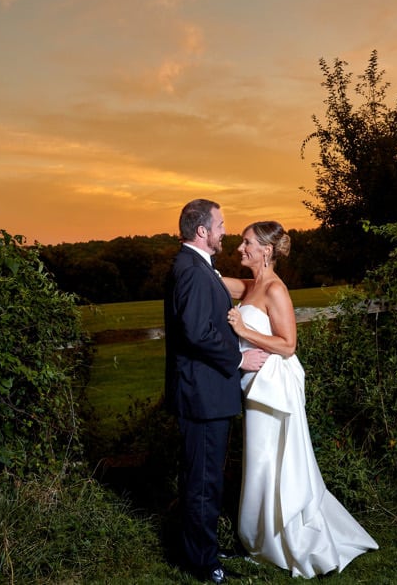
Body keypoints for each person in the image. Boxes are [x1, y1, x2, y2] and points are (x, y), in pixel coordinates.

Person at [221, 221, 378, 577]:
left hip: (274, 387)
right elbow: (214, 281)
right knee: (260, 463)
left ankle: (291, 540)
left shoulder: (275, 289)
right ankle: (264, 541)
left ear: (266, 250)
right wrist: (194, 258)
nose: (240, 248)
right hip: (256, 386)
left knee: (275, 461)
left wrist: (243, 330)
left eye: (246, 243)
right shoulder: (251, 285)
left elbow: (288, 345)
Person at [165, 199, 268, 584]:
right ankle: (203, 564)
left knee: (205, 477)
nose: (225, 231)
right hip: (202, 395)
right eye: (221, 225)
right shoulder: (191, 271)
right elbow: (196, 333)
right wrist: (239, 359)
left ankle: (203, 548)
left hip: (205, 393)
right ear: (202, 230)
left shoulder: (196, 266)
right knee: (203, 481)